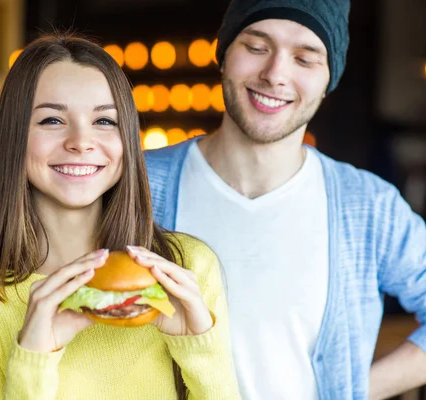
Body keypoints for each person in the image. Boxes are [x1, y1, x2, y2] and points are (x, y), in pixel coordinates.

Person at [144, 0, 426, 399]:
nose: (275, 74)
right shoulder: (139, 185)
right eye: (257, 47)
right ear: (223, 55)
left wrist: (353, 391)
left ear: (329, 79)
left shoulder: (368, 205)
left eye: (305, 59)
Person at [0, 33, 240, 400]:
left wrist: (198, 348)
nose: (81, 141)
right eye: (51, 120)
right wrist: (33, 358)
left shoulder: (187, 268)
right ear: (14, 137)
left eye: (104, 122)